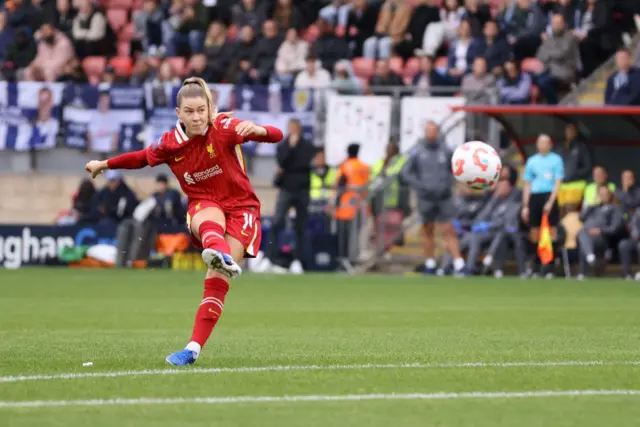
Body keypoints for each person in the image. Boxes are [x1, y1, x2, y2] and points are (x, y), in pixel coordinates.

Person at [84, 77, 284, 366]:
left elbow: (276, 135)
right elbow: (140, 158)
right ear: (178, 113)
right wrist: (104, 164)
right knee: (209, 218)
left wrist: (259, 129)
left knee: (217, 282)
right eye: (189, 111)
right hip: (205, 203)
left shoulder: (225, 128)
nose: (196, 116)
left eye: (201, 110)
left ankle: (193, 347)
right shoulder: (170, 144)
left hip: (242, 208)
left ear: (209, 108)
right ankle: (218, 255)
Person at [401, 121, 465, 275]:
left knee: (448, 228)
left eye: (433, 130)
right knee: (427, 229)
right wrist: (420, 185)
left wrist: (448, 183)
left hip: (444, 196)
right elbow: (406, 172)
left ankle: (459, 264)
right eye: (428, 130)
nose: (431, 133)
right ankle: (429, 263)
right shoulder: (417, 152)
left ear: (438, 132)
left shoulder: (446, 151)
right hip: (426, 197)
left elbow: (456, 169)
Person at [259, 118, 316, 274]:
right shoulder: (284, 145)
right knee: (277, 222)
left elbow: (304, 163)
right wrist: (291, 148)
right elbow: (282, 161)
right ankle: (269, 258)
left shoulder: (307, 146)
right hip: (286, 188)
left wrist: (289, 164)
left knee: (300, 226)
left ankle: (298, 260)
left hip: (302, 189)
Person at [521, 134, 564, 275]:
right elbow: (527, 183)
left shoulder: (556, 160)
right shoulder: (532, 161)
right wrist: (526, 205)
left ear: (550, 144)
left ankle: (551, 263)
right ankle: (536, 263)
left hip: (548, 194)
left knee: (551, 230)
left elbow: (558, 182)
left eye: (545, 142)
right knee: (534, 231)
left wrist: (551, 201)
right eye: (540, 142)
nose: (542, 145)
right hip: (535, 196)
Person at [576, 185, 623, 279]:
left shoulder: (615, 208)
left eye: (605, 194)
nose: (603, 196)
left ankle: (585, 266)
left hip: (603, 237)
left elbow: (614, 228)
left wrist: (600, 230)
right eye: (600, 194)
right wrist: (591, 205)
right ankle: (588, 260)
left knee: (582, 234)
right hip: (589, 236)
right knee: (583, 236)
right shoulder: (593, 208)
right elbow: (581, 218)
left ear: (610, 195)